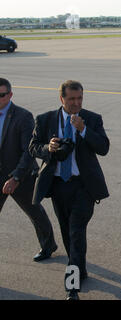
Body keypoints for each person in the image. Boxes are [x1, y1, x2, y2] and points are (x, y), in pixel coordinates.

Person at [29, 80, 109, 300]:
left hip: (84, 187)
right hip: (58, 186)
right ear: (61, 99)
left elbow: (104, 148)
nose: (76, 103)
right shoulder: (45, 120)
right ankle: (80, 268)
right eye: (72, 99)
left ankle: (72, 287)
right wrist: (49, 148)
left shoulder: (92, 119)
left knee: (75, 231)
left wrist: (83, 130)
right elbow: (33, 146)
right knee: (68, 233)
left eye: (80, 98)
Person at [0, 78, 57, 262]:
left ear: (10, 95)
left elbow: (29, 151)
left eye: (1, 95)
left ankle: (48, 245)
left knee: (34, 212)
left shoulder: (22, 117)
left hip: (21, 175)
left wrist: (16, 177)